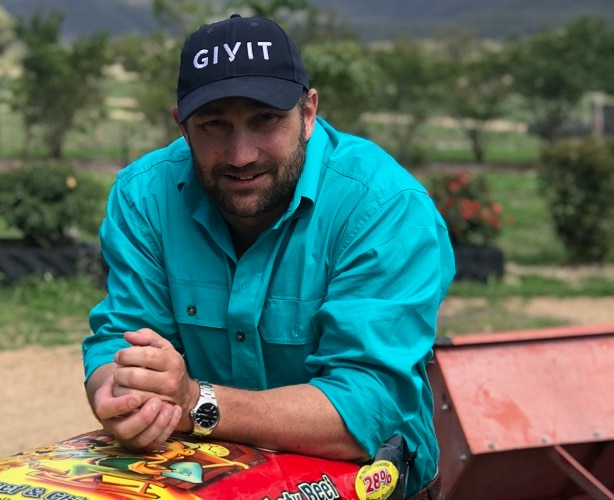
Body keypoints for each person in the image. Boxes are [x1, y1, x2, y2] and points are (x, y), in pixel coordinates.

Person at [82, 14, 454, 499]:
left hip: (368, 488)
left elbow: (368, 406)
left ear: (309, 112)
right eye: (215, 124)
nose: (241, 154)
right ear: (182, 125)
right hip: (203, 483)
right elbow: (119, 338)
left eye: (265, 120)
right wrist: (123, 395)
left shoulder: (384, 207)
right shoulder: (143, 196)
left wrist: (197, 403)